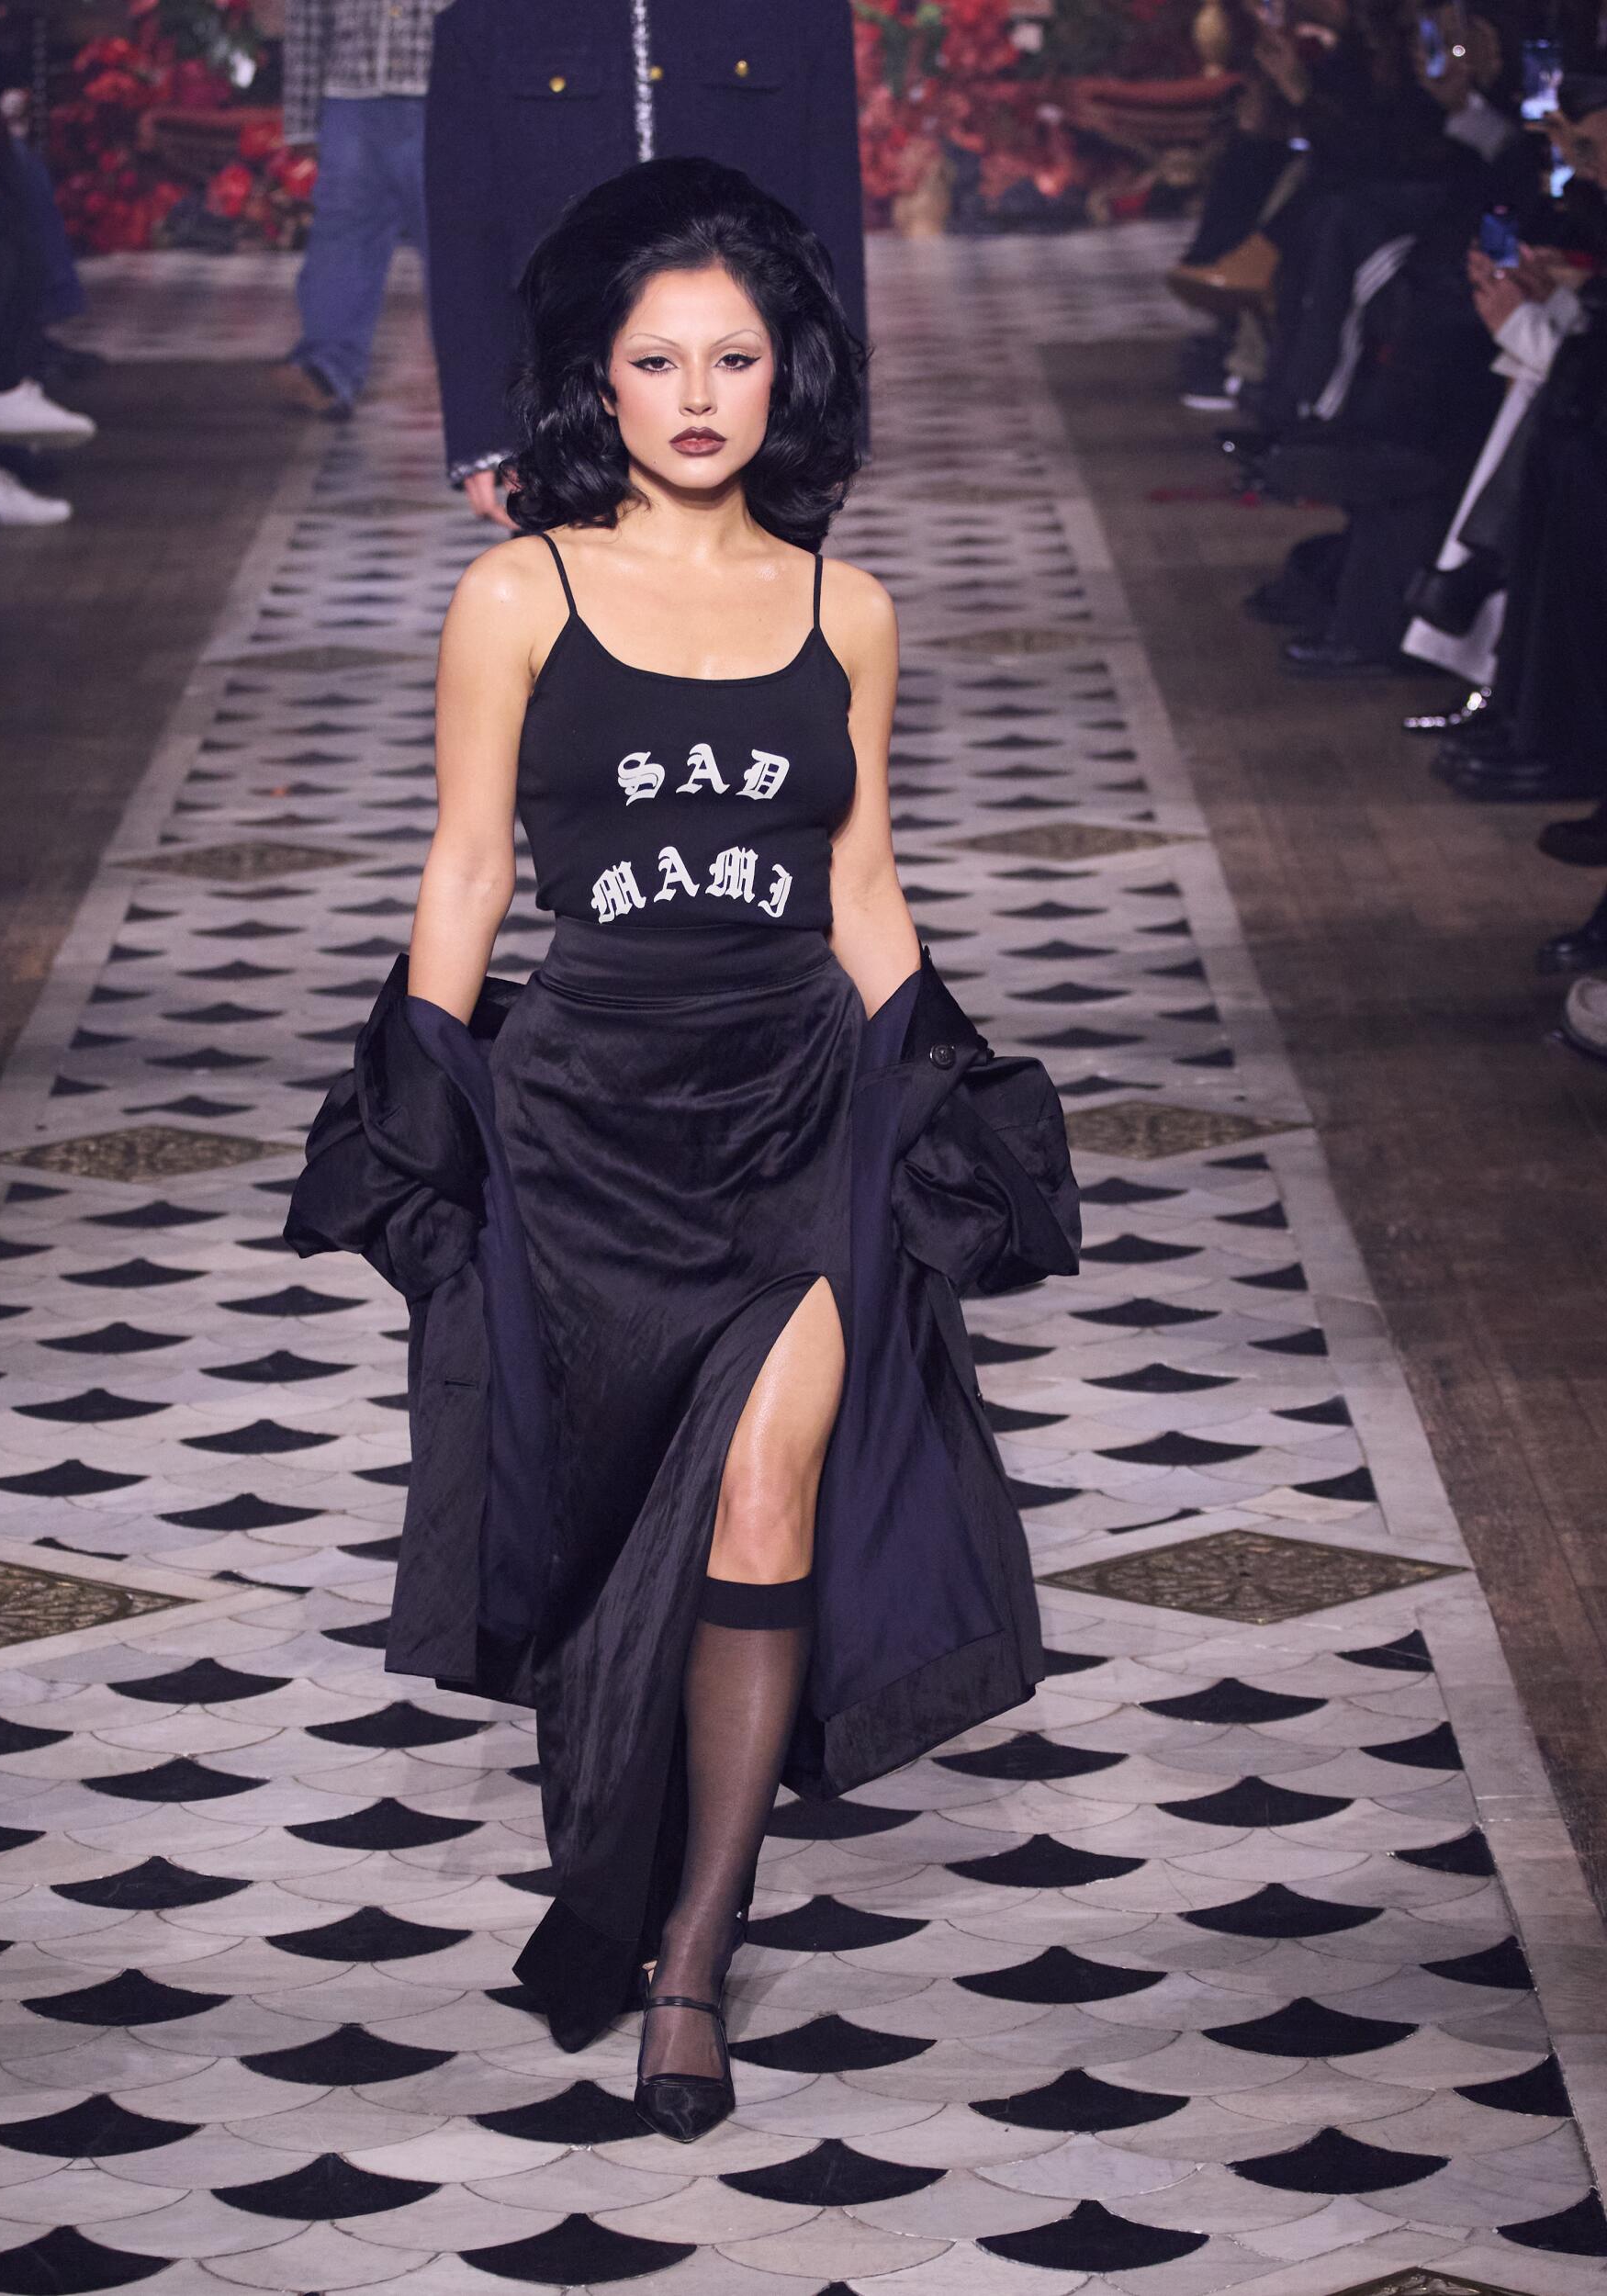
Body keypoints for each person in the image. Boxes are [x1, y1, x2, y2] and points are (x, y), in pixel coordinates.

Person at [287, 158, 1079, 2141]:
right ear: (603, 384)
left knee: (761, 1501)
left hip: (795, 1104)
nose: (701, 391)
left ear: (783, 373)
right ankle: (626, 1857)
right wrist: (418, 1095)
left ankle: (696, 1960)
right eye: (659, 359)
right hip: (587, 1119)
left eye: (735, 355)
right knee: (598, 1536)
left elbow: (865, 878)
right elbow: (469, 861)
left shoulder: (848, 606)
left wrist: (942, 1091)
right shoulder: (518, 593)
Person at [423, 0, 867, 525]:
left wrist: (839, 425)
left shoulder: (800, 12)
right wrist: (484, 431)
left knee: (752, 590)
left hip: (748, 384)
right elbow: (464, 234)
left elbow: (830, 222)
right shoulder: (486, 19)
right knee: (569, 594)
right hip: (564, 384)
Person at [277, 0, 453, 420]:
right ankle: (328, 369)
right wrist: (302, 118)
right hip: (352, 95)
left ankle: (479, 384)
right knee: (341, 239)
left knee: (457, 245)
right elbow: (308, 15)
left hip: (447, 90)